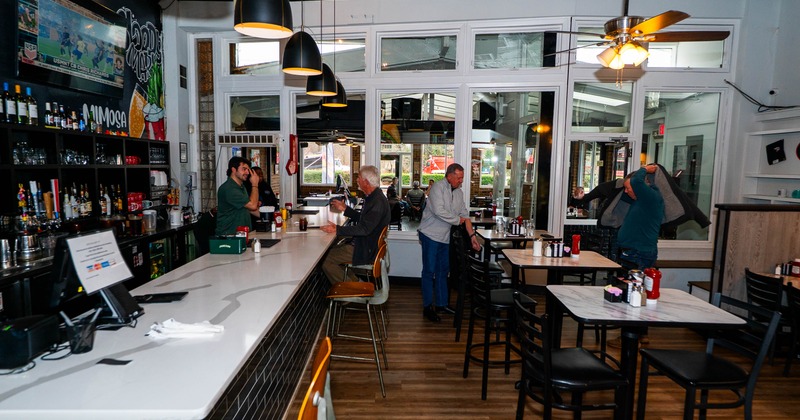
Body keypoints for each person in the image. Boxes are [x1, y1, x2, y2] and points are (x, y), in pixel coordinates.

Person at [418, 163, 480, 322]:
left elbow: (465, 216)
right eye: (459, 178)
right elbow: (439, 212)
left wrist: (473, 237)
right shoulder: (437, 188)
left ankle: (441, 304)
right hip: (430, 234)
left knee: (443, 271)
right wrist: (458, 220)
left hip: (445, 237)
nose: (461, 181)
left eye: (462, 178)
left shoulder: (458, 193)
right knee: (429, 271)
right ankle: (427, 307)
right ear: (450, 176)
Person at [321, 166, 390, 284]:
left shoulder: (377, 202)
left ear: (366, 182)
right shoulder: (374, 197)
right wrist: (345, 209)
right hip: (365, 244)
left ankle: (350, 290)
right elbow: (365, 220)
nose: (357, 180)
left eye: (358, 177)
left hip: (365, 249)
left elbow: (364, 229)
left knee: (325, 260)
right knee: (332, 251)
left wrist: (337, 229)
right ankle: (355, 283)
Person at [215, 156, 260, 236]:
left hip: (242, 234)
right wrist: (255, 184)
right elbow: (252, 206)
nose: (247, 172)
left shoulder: (241, 187)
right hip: (229, 236)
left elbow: (248, 208)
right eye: (244, 169)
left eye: (248, 169)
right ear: (233, 170)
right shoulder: (229, 189)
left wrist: (269, 217)